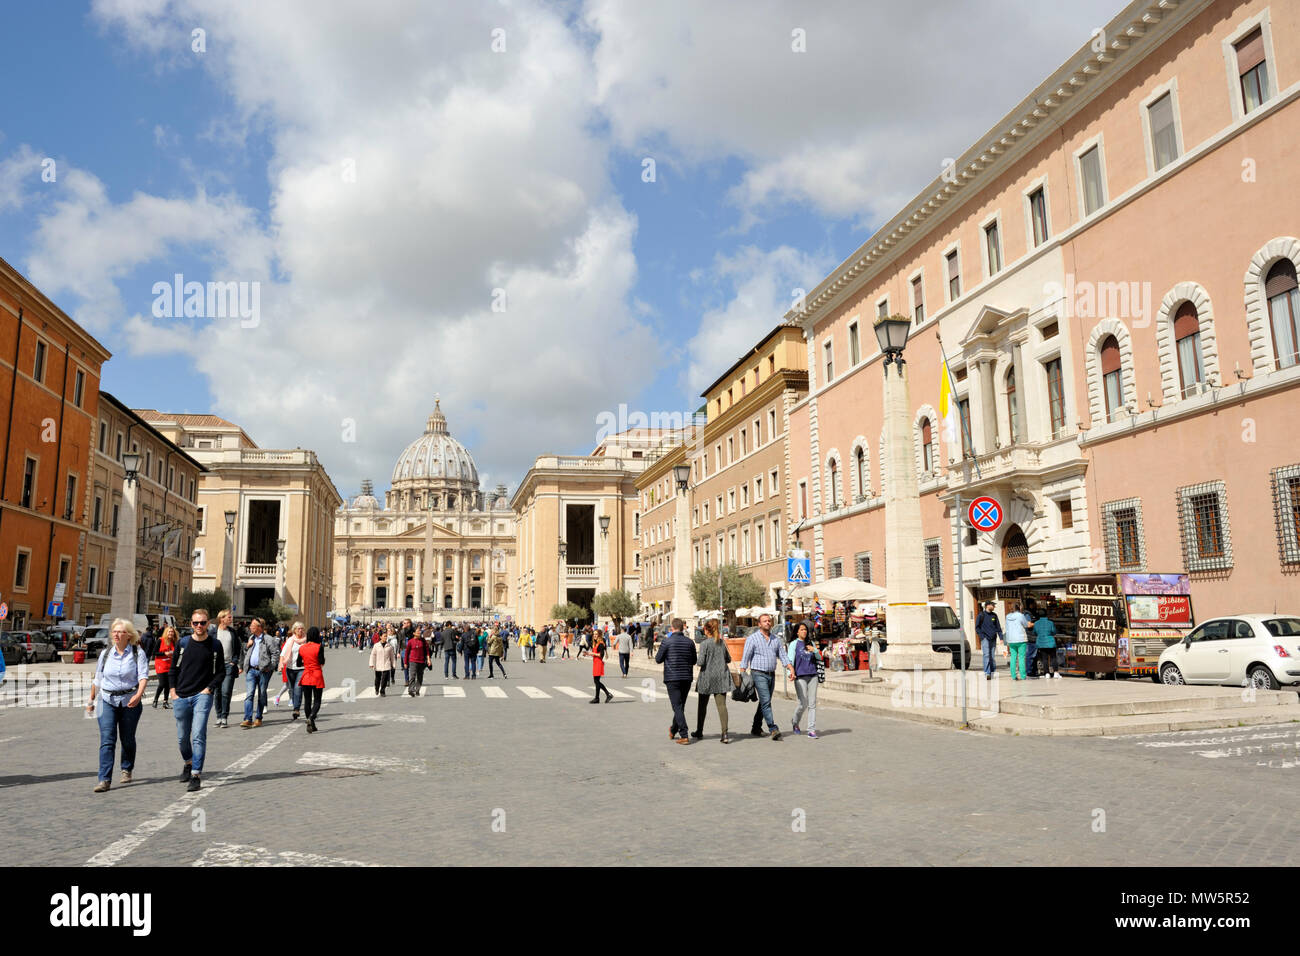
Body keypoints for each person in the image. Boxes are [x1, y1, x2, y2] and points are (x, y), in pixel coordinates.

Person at [85, 618, 149, 792]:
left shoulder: (137, 653)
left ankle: (126, 768)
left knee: (127, 738)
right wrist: (91, 700)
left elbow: (143, 676)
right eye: (114, 631)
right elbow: (98, 679)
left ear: (129, 635)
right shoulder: (105, 654)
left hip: (130, 700)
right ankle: (104, 779)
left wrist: (138, 694)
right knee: (107, 739)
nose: (117, 634)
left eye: (121, 631)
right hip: (107, 700)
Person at [171, 608, 224, 792]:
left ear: (208, 623)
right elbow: (173, 670)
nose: (199, 626)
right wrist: (173, 691)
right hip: (181, 695)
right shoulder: (183, 644)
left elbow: (221, 672)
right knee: (182, 738)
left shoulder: (215, 645)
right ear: (191, 624)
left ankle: (196, 774)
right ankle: (188, 762)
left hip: (202, 696)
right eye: (196, 623)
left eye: (202, 622)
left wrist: (209, 689)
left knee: (198, 734)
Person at [655, 618, 697, 744]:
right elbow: (694, 661)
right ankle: (673, 729)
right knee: (680, 706)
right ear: (683, 628)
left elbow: (658, 659)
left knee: (677, 706)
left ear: (671, 628)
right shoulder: (690, 642)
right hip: (686, 678)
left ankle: (684, 734)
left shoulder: (666, 642)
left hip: (672, 678)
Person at [742, 613, 783, 740]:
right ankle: (773, 728)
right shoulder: (752, 639)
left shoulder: (776, 639)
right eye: (764, 621)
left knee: (765, 702)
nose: (768, 623)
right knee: (765, 701)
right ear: (759, 624)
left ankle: (756, 727)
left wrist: (790, 668)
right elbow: (746, 656)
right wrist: (743, 672)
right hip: (758, 673)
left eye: (769, 621)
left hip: (771, 674)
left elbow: (783, 655)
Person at [691, 619, 731, 743]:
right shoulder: (722, 643)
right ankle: (724, 733)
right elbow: (728, 659)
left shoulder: (704, 644)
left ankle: (699, 730)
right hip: (721, 677)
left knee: (702, 706)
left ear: (706, 630)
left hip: (707, 677)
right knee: (722, 706)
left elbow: (700, 662)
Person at [239, 618, 279, 728]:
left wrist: (270, 667)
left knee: (261, 694)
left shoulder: (268, 639)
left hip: (263, 671)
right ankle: (247, 719)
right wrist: (247, 647)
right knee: (249, 694)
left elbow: (275, 654)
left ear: (259, 627)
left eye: (252, 625)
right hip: (251, 670)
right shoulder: (251, 638)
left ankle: (258, 718)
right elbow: (246, 653)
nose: (250, 627)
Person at [788, 622, 823, 739]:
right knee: (803, 704)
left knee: (812, 704)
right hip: (800, 677)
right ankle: (795, 721)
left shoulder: (811, 643)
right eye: (802, 630)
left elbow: (819, 658)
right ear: (797, 632)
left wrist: (815, 651)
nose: (804, 632)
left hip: (813, 675)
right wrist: (790, 673)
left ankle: (811, 730)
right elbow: (790, 660)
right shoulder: (793, 644)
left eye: (805, 630)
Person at [213, 610, 240, 728]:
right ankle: (218, 716)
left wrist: (234, 661)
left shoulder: (232, 632)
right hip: (215, 666)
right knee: (217, 692)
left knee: (226, 691)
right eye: (229, 617)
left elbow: (237, 649)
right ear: (222, 619)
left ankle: (224, 717)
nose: (231, 619)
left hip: (229, 665)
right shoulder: (213, 632)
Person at [298, 627, 326, 733]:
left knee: (307, 700)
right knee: (317, 700)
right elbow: (321, 661)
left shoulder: (302, 648)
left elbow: (298, 663)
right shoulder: (319, 646)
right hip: (317, 674)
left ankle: (311, 723)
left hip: (306, 675)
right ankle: (312, 717)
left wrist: (306, 663)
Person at [976, 602, 1003, 681]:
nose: (994, 606)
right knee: (986, 655)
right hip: (985, 638)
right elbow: (977, 628)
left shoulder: (994, 615)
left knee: (992, 656)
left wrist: (1001, 637)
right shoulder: (981, 615)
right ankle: (987, 673)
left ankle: (992, 672)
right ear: (987, 606)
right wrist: (982, 636)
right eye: (993, 605)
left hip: (993, 638)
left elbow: (998, 627)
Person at [152, 626, 177, 709]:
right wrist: (164, 654)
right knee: (162, 683)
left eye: (172, 632)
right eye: (169, 631)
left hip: (170, 665)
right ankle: (155, 700)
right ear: (166, 632)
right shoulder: (160, 640)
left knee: (168, 684)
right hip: (161, 665)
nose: (170, 633)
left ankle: (165, 702)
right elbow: (154, 653)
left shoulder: (174, 642)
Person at [1004, 603, 1031, 681]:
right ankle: (1022, 676)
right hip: (1021, 639)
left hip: (1011, 639)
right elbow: (1026, 625)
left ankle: (1013, 676)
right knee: (1021, 658)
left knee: (1013, 657)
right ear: (1019, 607)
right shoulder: (1020, 615)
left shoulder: (1007, 616)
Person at [1034, 612, 1060, 679]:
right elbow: (1054, 631)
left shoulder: (1036, 623)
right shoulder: (1050, 623)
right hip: (1050, 642)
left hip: (1041, 642)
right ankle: (1056, 673)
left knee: (1044, 659)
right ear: (1046, 615)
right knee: (1053, 658)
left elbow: (1035, 632)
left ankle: (1047, 673)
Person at [589, 633, 613, 703]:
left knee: (596, 681)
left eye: (596, 634)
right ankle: (598, 698)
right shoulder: (596, 644)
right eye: (594, 634)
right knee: (596, 681)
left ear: (599, 636)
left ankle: (607, 694)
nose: (595, 635)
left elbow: (600, 654)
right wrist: (588, 654)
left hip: (598, 663)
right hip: (595, 663)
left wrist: (592, 653)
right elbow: (595, 654)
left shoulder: (601, 644)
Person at [405, 625, 429, 696]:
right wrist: (405, 662)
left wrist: (428, 659)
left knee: (420, 677)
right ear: (414, 633)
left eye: (420, 631)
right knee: (412, 676)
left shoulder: (423, 640)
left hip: (421, 661)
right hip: (413, 661)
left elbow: (427, 650)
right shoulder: (410, 642)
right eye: (418, 631)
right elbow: (407, 653)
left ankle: (417, 689)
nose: (419, 632)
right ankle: (411, 690)